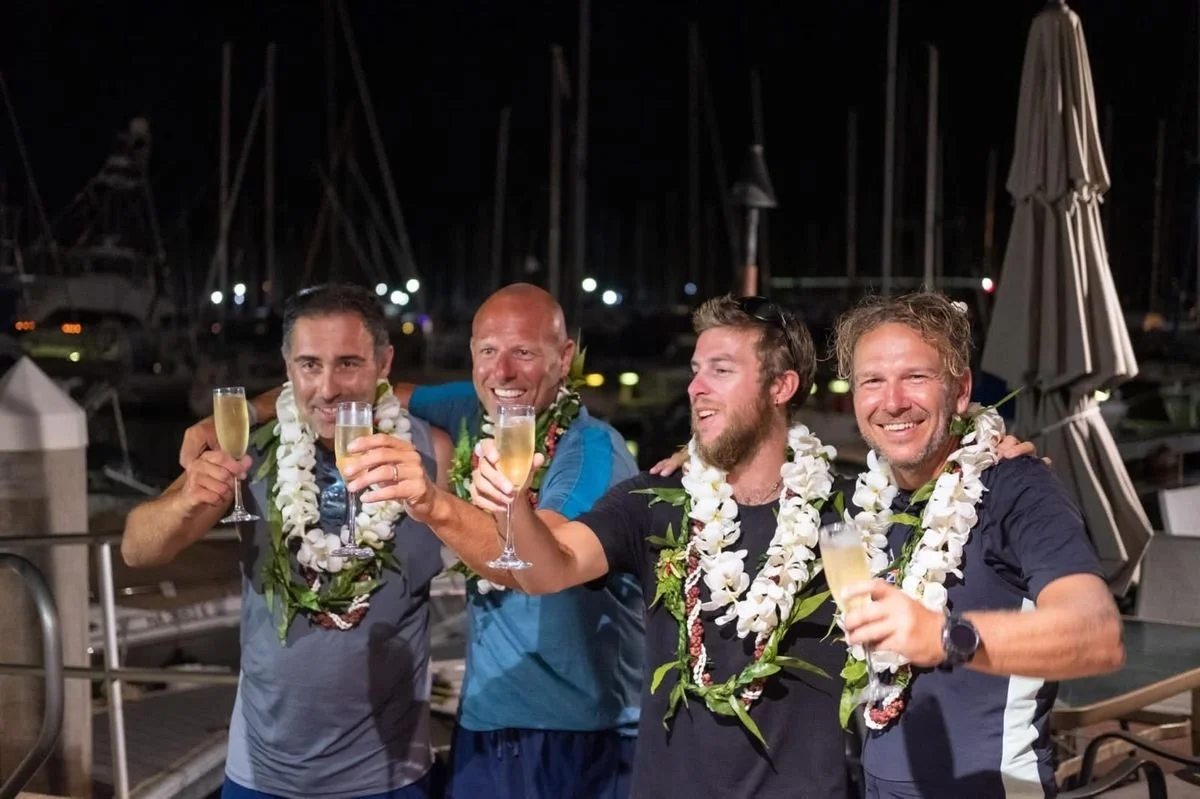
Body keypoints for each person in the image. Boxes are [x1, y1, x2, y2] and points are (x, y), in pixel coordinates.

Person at [362, 294, 852, 797]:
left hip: (591, 739)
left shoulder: (849, 516)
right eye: (695, 369)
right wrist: (495, 506)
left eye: (720, 371)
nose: (694, 388)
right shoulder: (652, 504)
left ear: (781, 386)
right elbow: (547, 567)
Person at [182, 283, 644, 799]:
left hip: (582, 735)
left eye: (525, 353)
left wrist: (433, 503)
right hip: (487, 726)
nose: (504, 372)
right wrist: (251, 409)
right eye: (489, 351)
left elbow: (543, 566)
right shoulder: (474, 409)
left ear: (563, 360)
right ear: (472, 355)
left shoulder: (590, 451)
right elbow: (372, 389)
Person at [124, 283, 448, 798]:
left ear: (383, 363)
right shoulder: (249, 450)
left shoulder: (431, 452)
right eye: (309, 365)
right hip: (262, 775)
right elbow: (138, 549)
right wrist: (187, 501)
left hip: (390, 776)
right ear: (286, 365)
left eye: (348, 363)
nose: (327, 388)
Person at [832, 292, 1124, 798]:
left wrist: (946, 636)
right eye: (872, 381)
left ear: (960, 388)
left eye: (916, 377)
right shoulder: (865, 501)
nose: (893, 400)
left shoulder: (1019, 488)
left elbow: (1097, 634)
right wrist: (702, 457)